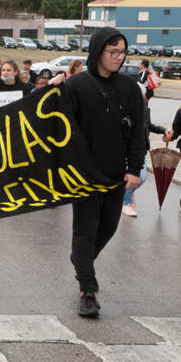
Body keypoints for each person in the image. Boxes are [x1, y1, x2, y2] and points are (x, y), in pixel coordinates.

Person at [62, 27, 144, 318]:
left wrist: (134, 170)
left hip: (115, 174)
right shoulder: (76, 86)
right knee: (84, 230)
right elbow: (63, 130)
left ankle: (81, 261)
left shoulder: (130, 89)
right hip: (82, 175)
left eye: (123, 52)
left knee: (108, 227)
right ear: (98, 51)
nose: (119, 58)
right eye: (113, 52)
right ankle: (87, 291)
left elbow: (138, 133)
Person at [122, 83, 171, 217]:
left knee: (141, 178)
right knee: (140, 177)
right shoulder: (124, 110)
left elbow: (149, 126)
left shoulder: (145, 110)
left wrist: (164, 130)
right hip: (128, 150)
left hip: (141, 149)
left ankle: (125, 194)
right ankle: (125, 203)